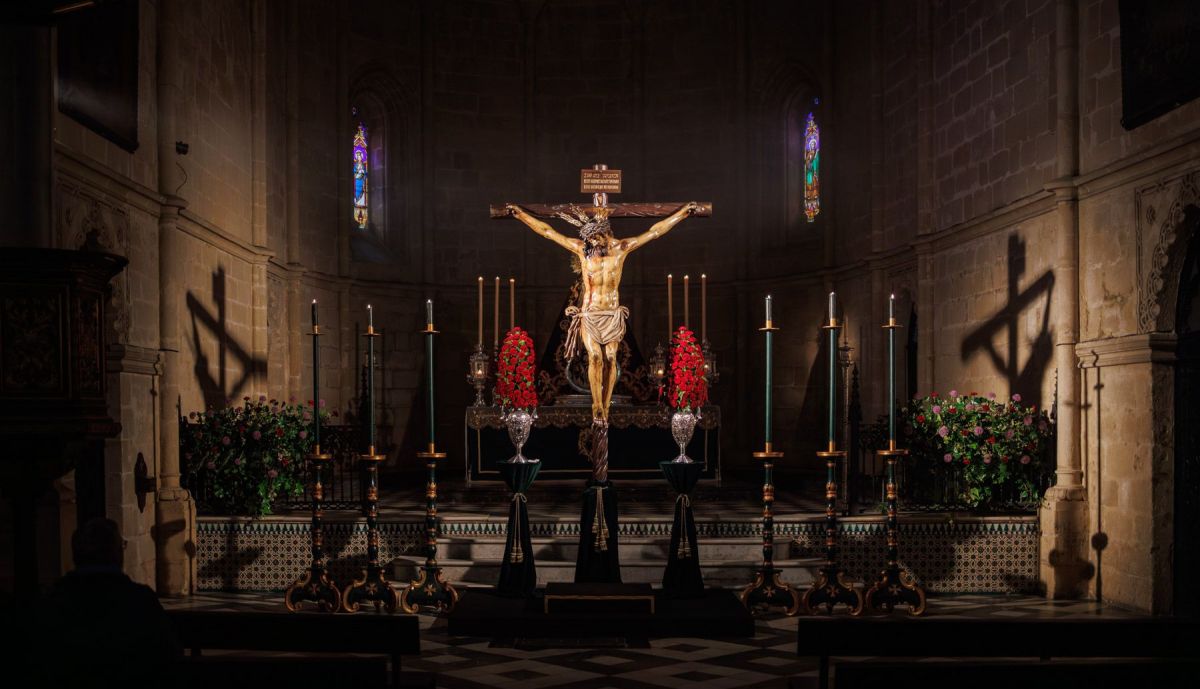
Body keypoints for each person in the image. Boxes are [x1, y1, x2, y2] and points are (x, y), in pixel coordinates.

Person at [33, 518, 181, 688]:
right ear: (117, 553)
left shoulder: (54, 600)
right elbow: (168, 655)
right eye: (122, 546)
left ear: (75, 554)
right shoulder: (140, 600)